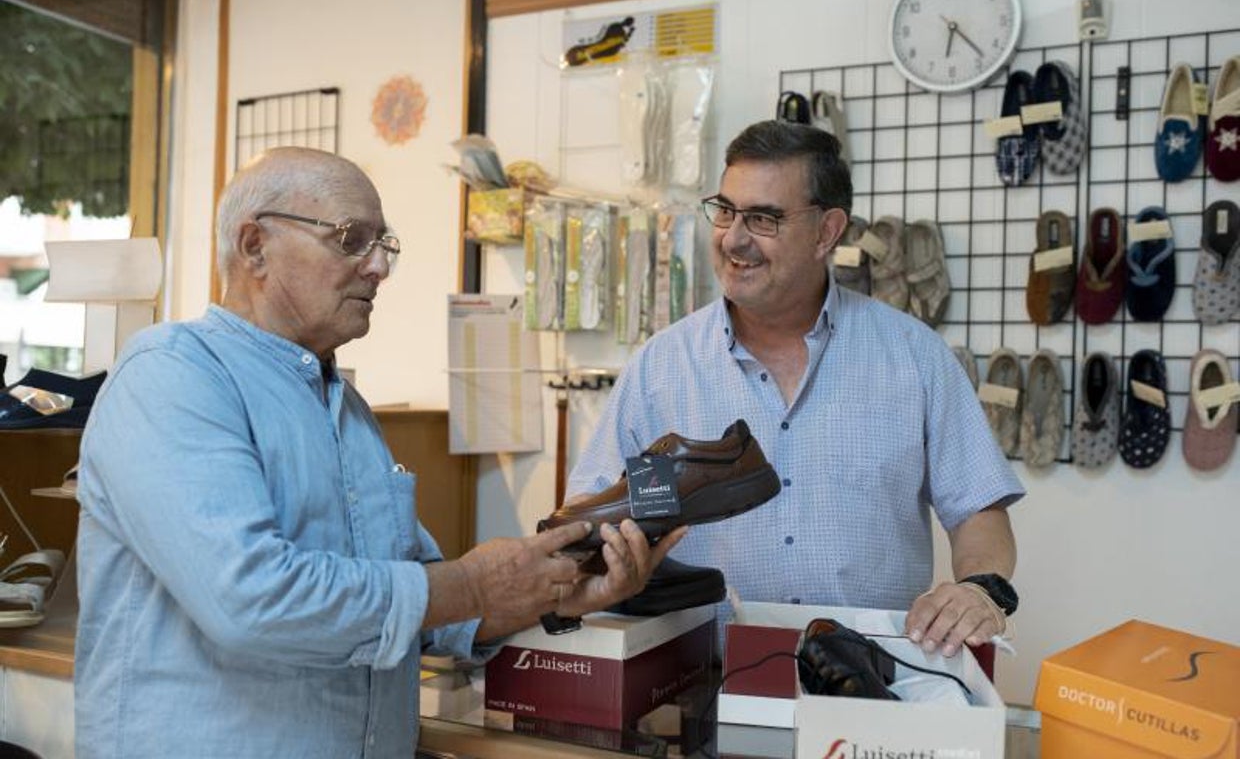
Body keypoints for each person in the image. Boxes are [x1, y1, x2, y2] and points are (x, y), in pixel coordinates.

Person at [74, 147, 681, 758]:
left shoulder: (347, 411)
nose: (378, 268)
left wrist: (553, 591)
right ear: (254, 244)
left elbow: (422, 610)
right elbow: (251, 600)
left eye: (384, 244)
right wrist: (469, 585)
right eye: (351, 239)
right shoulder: (173, 374)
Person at [567, 120, 1023, 659]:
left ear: (827, 231)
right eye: (727, 211)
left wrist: (978, 589)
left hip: (869, 685)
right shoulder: (660, 367)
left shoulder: (914, 356)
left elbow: (979, 511)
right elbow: (586, 511)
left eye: (763, 219)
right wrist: (606, 559)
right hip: (700, 681)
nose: (734, 238)